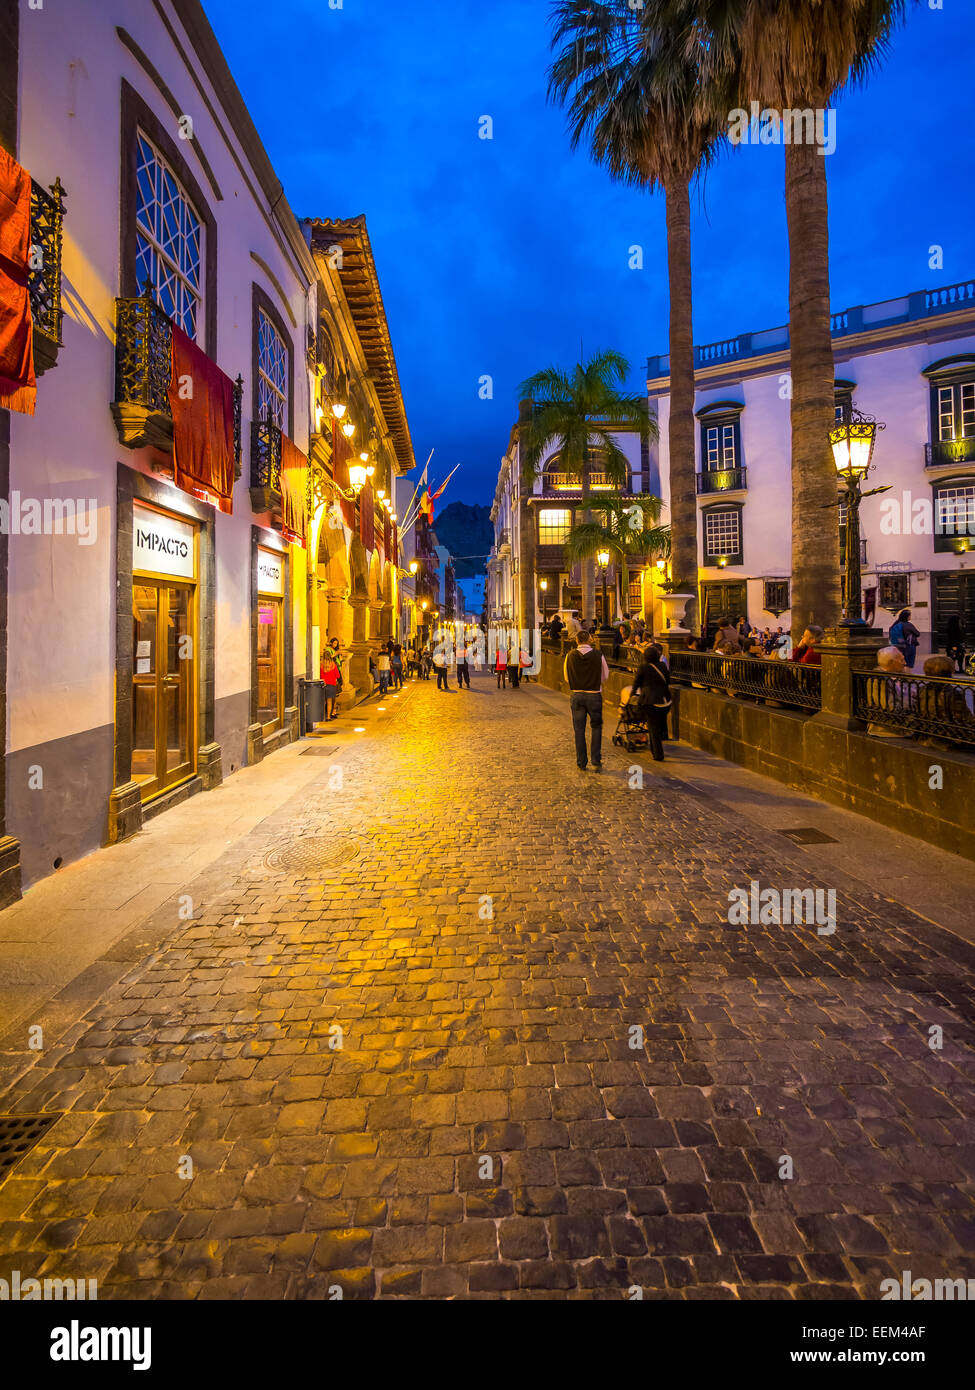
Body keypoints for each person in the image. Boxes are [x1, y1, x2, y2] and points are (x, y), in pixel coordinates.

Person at [565, 628, 609, 771]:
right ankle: (596, 761)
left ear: (577, 640)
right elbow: (605, 675)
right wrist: (596, 681)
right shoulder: (598, 655)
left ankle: (581, 762)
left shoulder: (570, 655)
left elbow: (566, 677)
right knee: (596, 727)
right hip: (594, 694)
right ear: (589, 639)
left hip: (577, 695)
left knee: (579, 729)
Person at [630, 645, 672, 761]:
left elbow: (636, 683)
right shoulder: (663, 666)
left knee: (653, 728)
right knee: (659, 724)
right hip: (665, 700)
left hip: (650, 701)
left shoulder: (643, 667)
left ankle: (658, 754)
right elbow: (668, 681)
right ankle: (657, 745)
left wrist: (632, 694)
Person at [866, 645, 908, 738]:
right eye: (901, 660)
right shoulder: (879, 680)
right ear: (891, 663)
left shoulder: (900, 675)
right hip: (887, 729)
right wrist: (911, 700)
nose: (905, 663)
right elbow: (889, 708)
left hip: (904, 723)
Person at [320, 644, 340, 722]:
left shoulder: (321, 665)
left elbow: (320, 675)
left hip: (323, 685)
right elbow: (338, 675)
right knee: (329, 702)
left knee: (322, 702)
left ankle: (322, 717)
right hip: (331, 685)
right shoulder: (333, 665)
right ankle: (328, 717)